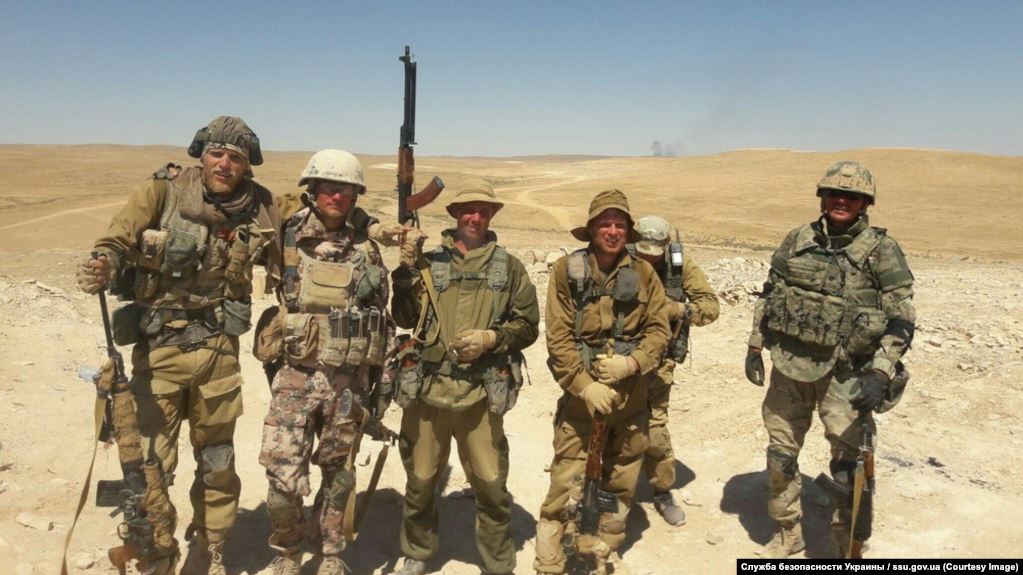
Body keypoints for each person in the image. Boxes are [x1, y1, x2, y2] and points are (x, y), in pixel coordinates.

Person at [76, 116, 281, 575]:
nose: (225, 164)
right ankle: (157, 552)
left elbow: (316, 224)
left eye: (236, 158)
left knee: (217, 462)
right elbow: (117, 237)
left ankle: (213, 546)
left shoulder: (260, 206)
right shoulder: (162, 193)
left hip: (217, 351)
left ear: (247, 165)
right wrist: (103, 262)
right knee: (150, 463)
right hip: (159, 350)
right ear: (202, 156)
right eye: (217, 154)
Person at [744, 161, 915, 558]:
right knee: (780, 453)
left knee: (849, 467)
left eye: (851, 196)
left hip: (847, 373)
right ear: (822, 197)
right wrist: (755, 346)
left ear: (865, 203)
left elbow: (902, 318)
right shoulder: (797, 239)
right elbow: (771, 293)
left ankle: (846, 545)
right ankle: (787, 533)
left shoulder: (881, 251)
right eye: (834, 193)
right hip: (790, 365)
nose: (841, 201)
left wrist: (881, 371)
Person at [389, 179, 540, 575]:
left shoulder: (509, 268)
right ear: (455, 214)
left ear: (491, 216)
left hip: (480, 395)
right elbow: (403, 318)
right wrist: (405, 273)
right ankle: (418, 551)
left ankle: (497, 561)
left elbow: (528, 326)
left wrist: (492, 338)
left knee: (490, 483)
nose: (475, 217)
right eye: (468, 210)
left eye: (483, 211)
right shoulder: (429, 262)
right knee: (421, 479)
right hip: (429, 390)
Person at [256, 149, 394, 575]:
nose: (337, 196)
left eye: (346, 190)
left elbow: (381, 319)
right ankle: (287, 551)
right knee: (281, 478)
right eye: (329, 187)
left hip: (348, 382)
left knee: (339, 474)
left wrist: (383, 386)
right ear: (313, 189)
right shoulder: (286, 234)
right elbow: (254, 205)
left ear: (356, 196)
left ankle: (331, 552)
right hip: (295, 378)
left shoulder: (367, 249)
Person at [534, 190, 670, 575]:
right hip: (582, 402)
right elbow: (558, 338)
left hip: (631, 400)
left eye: (619, 224)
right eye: (605, 224)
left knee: (621, 480)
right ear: (591, 229)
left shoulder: (645, 273)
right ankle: (550, 562)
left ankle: (601, 552)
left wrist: (632, 363)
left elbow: (659, 331)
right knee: (565, 483)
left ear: (628, 231)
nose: (612, 231)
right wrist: (584, 386)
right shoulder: (567, 270)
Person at [631, 215, 719, 526]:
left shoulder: (679, 266)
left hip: (659, 362)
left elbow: (711, 307)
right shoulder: (618, 258)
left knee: (655, 430)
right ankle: (604, 487)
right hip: (619, 357)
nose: (648, 259)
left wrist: (678, 309)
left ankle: (662, 490)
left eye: (654, 254)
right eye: (642, 253)